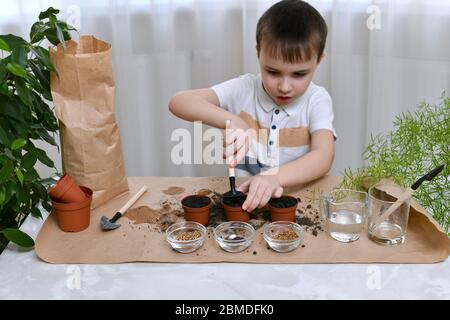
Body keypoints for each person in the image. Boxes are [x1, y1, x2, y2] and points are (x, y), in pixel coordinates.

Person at [169, 0, 336, 212]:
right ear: (258, 53)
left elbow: (323, 156)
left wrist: (274, 177)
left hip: (301, 206)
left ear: (319, 60)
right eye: (273, 72)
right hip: (247, 208)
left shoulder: (317, 100)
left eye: (299, 74)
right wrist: (235, 121)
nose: (285, 86)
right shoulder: (244, 88)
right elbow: (179, 101)